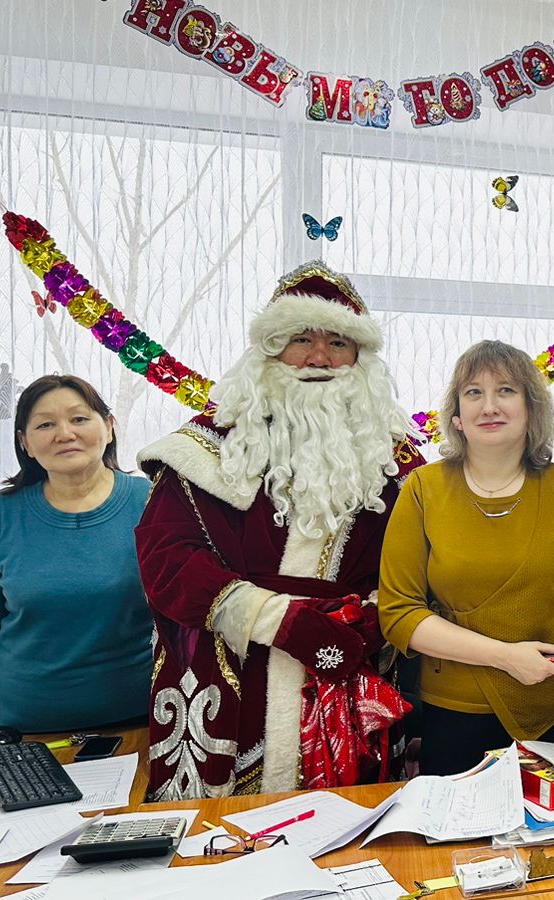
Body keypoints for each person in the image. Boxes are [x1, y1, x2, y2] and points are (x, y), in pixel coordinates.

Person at [135, 261, 422, 800]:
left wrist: (376, 619)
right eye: (301, 339)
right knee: (222, 840)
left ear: (360, 357)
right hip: (230, 685)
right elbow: (167, 560)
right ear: (269, 350)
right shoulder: (206, 446)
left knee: (344, 829)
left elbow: (425, 563)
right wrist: (279, 621)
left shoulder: (394, 459)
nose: (319, 358)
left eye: (338, 342)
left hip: (345, 679)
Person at [378, 340, 554, 776]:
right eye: (473, 392)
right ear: (457, 416)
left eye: (506, 390)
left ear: (531, 408)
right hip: (455, 718)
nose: (489, 406)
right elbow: (399, 614)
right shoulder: (423, 490)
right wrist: (506, 656)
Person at [0, 374, 152, 733]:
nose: (64, 434)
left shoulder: (150, 502)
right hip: (19, 732)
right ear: (25, 443)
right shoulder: (1, 514)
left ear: (109, 427)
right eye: (45, 424)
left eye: (79, 418)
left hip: (135, 725)